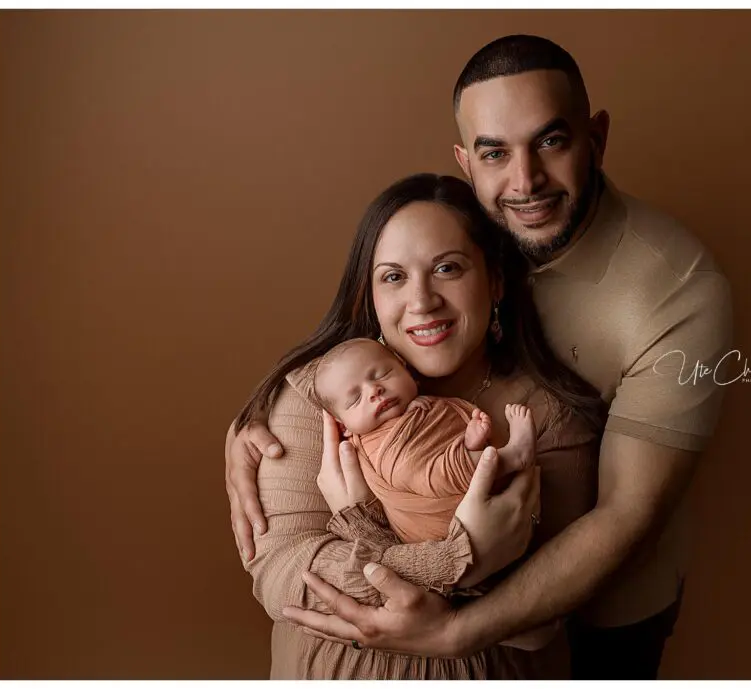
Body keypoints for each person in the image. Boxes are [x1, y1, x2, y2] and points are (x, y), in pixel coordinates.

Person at [226, 35, 733, 679]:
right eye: (496, 153)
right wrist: (261, 414)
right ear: (468, 162)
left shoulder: (677, 289)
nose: (525, 181)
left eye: (552, 141)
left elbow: (627, 513)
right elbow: (370, 323)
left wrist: (454, 626)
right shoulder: (472, 226)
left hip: (605, 602)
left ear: (596, 139)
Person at [227, 172, 604, 678]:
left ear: (494, 280)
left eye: (447, 268)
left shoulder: (549, 419)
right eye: (393, 276)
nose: (422, 300)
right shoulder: (314, 396)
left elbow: (541, 620)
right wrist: (471, 564)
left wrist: (373, 552)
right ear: (371, 294)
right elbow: (282, 574)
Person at [290, 336, 537, 543]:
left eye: (382, 374)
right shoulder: (371, 444)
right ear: (343, 425)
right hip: (438, 526)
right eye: (355, 399)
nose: (374, 391)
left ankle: (471, 450)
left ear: (404, 367)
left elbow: (432, 437)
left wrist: (416, 413)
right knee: (416, 470)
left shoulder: (421, 407)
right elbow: (410, 470)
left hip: (491, 514)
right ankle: (512, 456)